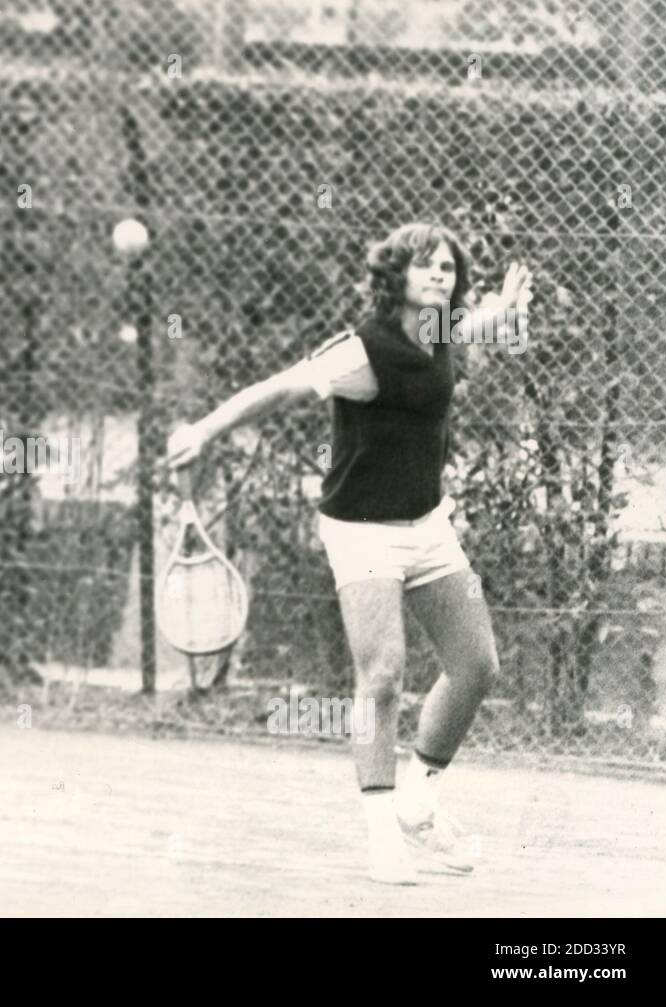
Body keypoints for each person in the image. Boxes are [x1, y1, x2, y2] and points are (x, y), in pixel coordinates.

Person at [167, 223, 533, 884]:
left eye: (448, 267)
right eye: (425, 266)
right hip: (361, 529)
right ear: (396, 276)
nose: (439, 276)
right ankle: (380, 831)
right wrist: (207, 428)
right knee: (384, 673)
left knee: (477, 663)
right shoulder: (363, 352)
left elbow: (464, 330)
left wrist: (501, 314)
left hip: (427, 524)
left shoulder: (437, 330)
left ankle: (419, 800)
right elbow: (280, 388)